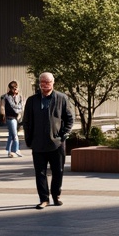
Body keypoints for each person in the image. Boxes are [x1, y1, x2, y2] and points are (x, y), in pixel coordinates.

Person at [20, 72, 73, 209]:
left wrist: (64, 134)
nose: (45, 85)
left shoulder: (62, 98)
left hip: (57, 144)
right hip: (38, 144)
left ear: (53, 83)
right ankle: (44, 199)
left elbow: (69, 119)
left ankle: (56, 195)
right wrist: (29, 139)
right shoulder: (32, 100)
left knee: (58, 171)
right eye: (42, 82)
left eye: (48, 82)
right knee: (40, 173)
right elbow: (26, 121)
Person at [0, 80, 24, 158]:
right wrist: (2, 115)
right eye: (14, 88)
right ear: (11, 88)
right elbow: (5, 106)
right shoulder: (7, 97)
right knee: (15, 135)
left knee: (11, 135)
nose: (16, 89)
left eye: (16, 88)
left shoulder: (18, 96)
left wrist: (20, 113)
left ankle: (9, 151)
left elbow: (21, 106)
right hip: (10, 117)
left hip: (15, 117)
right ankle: (15, 150)